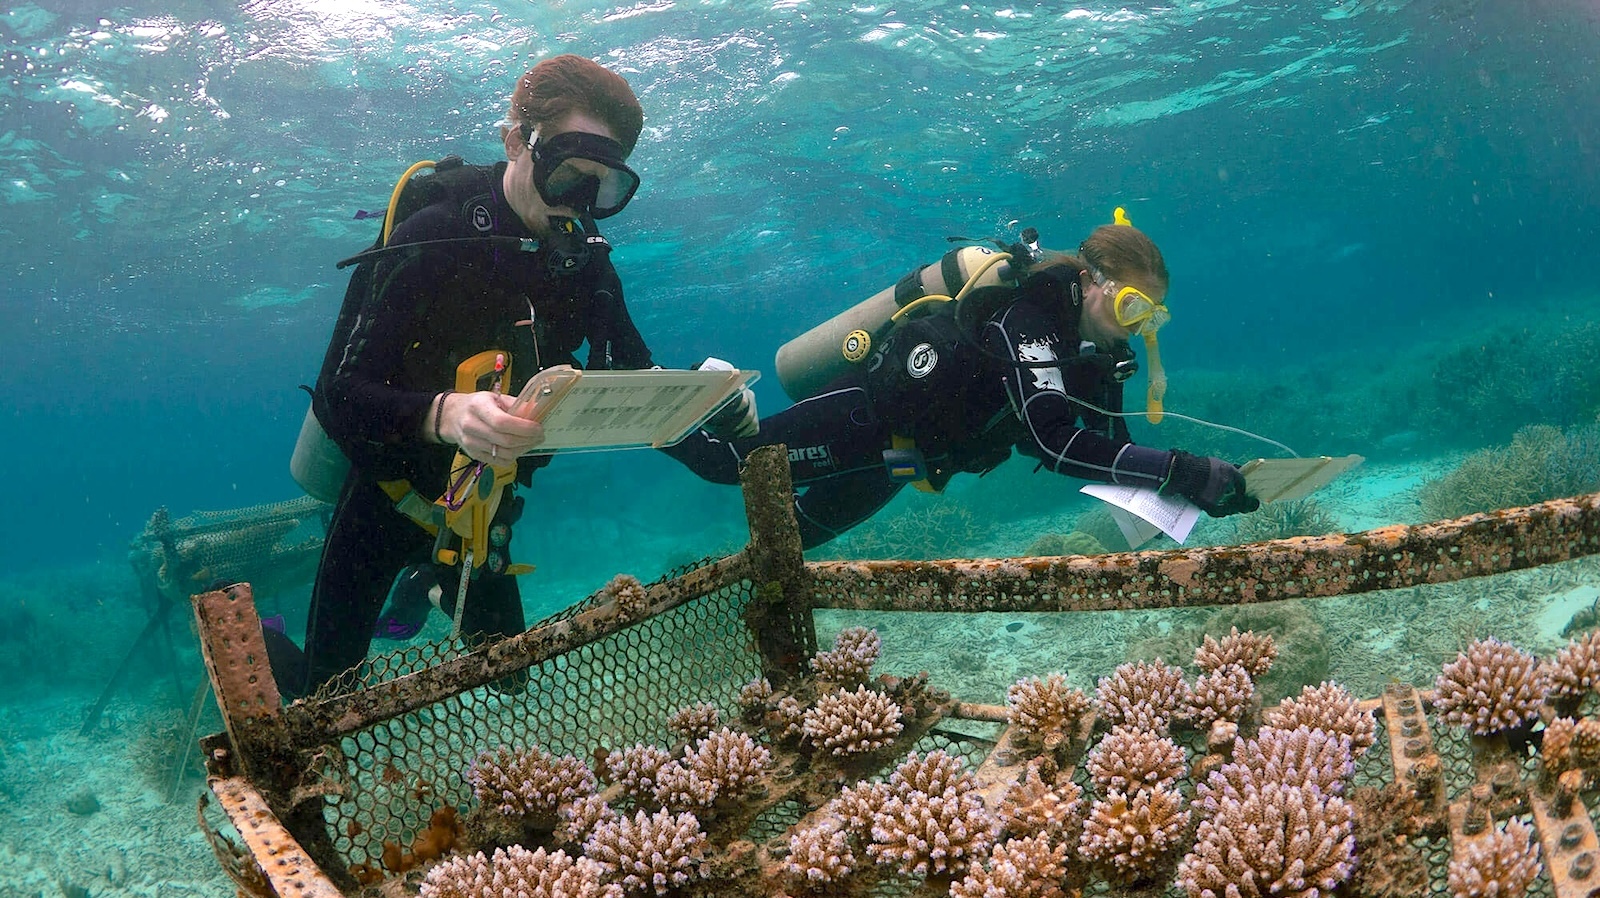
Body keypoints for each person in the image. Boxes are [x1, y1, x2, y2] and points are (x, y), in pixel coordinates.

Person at [267, 55, 755, 699]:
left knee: (510, 681)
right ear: (514, 142)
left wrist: (704, 399)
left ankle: (428, 582)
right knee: (322, 698)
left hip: (482, 508)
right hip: (389, 495)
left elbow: (635, 382)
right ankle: (262, 632)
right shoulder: (429, 239)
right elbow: (339, 396)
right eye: (565, 176)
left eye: (603, 189)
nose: (580, 208)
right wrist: (444, 415)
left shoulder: (586, 266)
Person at [662, 215, 1259, 549]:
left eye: (1148, 318)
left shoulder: (1094, 352)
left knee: (801, 535)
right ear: (1092, 280)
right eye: (1129, 307)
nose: (1133, 329)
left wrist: (1184, 490)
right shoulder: (1029, 317)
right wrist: (1184, 470)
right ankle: (677, 402)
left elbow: (1110, 446)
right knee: (725, 466)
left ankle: (738, 568)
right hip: (864, 416)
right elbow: (1056, 445)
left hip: (906, 459)